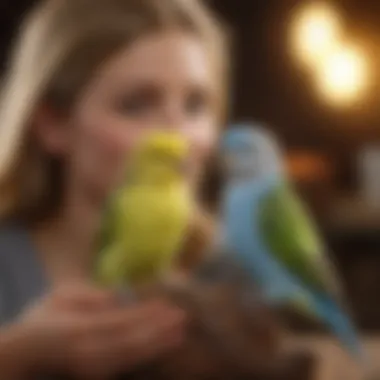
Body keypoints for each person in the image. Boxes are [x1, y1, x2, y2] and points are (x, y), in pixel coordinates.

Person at [0, 0, 228, 378]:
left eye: (196, 105)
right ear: (52, 124)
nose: (178, 136)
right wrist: (15, 358)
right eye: (136, 105)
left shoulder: (222, 278)